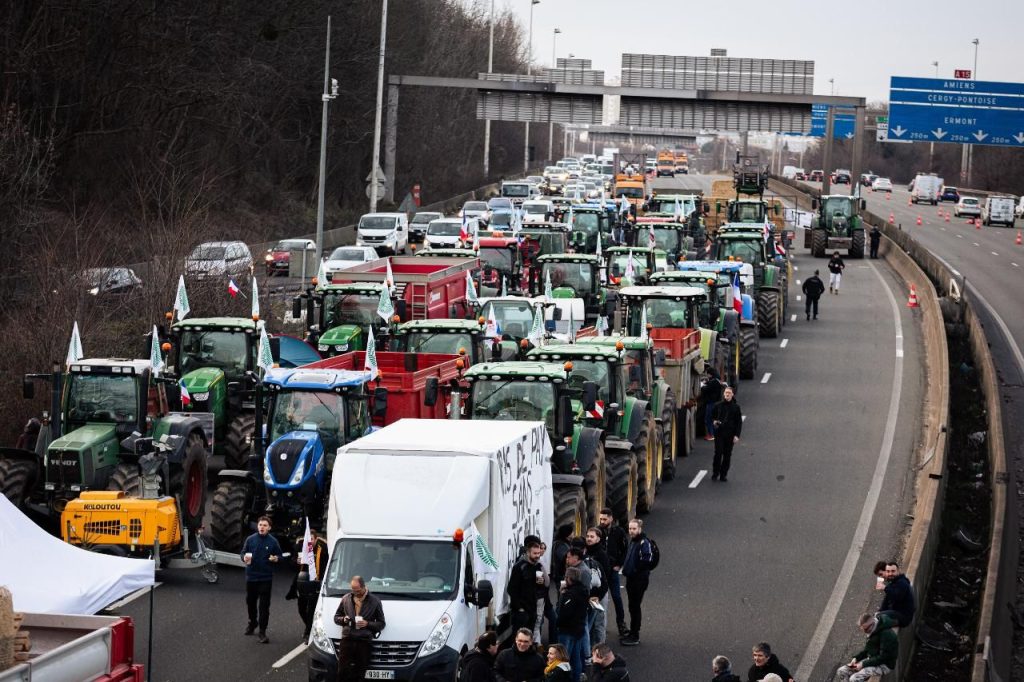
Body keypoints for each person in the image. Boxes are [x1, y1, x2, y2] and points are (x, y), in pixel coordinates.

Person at [334, 575, 386, 682]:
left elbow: (381, 624)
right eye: (353, 590)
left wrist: (367, 624)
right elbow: (336, 618)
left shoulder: (375, 601)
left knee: (360, 673)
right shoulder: (346, 598)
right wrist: (343, 619)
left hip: (364, 641)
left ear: (364, 587)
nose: (355, 593)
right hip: (347, 639)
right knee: (342, 672)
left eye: (357, 590)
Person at [240, 515, 283, 643]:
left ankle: (262, 632)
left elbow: (280, 556)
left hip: (265, 578)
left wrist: (276, 559)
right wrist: (244, 558)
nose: (262, 527)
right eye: (260, 525)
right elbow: (242, 553)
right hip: (251, 577)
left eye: (264, 525)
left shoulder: (273, 542)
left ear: (269, 528)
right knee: (251, 603)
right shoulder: (250, 539)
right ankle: (252, 623)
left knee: (264, 607)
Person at [287, 525, 330, 642]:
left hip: (315, 583)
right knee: (301, 608)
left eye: (311, 539)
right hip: (302, 582)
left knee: (311, 609)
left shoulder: (323, 549)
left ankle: (308, 632)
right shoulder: (300, 547)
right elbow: (291, 564)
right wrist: (296, 562)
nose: (309, 542)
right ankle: (310, 626)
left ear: (316, 539)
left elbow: (327, 566)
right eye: (307, 540)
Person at [833, 613, 899, 682]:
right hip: (871, 660)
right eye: (862, 629)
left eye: (865, 629)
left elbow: (883, 657)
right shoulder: (873, 630)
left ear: (872, 624)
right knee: (842, 671)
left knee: (854, 679)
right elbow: (868, 650)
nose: (864, 632)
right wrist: (856, 658)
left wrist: (863, 664)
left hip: (883, 665)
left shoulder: (886, 634)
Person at [619, 519, 653, 646]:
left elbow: (646, 560)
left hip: (638, 580)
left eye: (634, 529)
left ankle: (635, 635)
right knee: (632, 607)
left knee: (635, 607)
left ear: (640, 529)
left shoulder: (644, 542)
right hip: (631, 579)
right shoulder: (633, 541)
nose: (631, 531)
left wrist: (635, 570)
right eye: (630, 529)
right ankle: (633, 632)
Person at [598, 510, 629, 638]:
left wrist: (619, 564)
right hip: (601, 572)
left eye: (605, 519)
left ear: (611, 518)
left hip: (612, 571)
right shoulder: (597, 531)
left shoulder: (618, 532)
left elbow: (625, 549)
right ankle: (600, 626)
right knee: (599, 600)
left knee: (616, 597)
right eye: (601, 519)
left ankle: (621, 624)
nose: (602, 522)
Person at [555, 567, 589, 682]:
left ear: (569, 578)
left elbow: (563, 612)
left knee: (563, 659)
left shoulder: (570, 594)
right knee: (576, 658)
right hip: (579, 630)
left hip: (567, 630)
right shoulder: (584, 591)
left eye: (566, 577)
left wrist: (562, 595)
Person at [507, 539, 545, 634]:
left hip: (532, 608)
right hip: (521, 611)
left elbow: (539, 588)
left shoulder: (538, 566)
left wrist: (541, 582)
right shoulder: (519, 567)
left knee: (529, 638)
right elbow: (511, 589)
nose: (537, 556)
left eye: (538, 553)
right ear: (528, 553)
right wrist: (519, 608)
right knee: (519, 637)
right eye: (535, 553)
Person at [585, 527, 612, 646]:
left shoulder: (601, 555)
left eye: (592, 537)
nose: (589, 539)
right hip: (589, 595)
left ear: (598, 539)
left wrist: (598, 596)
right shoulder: (585, 552)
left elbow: (606, 577)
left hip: (599, 594)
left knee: (599, 622)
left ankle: (600, 647)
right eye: (588, 536)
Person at [711, 386, 742, 482]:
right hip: (719, 433)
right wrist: (715, 422)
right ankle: (715, 472)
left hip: (730, 434)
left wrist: (737, 435)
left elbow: (739, 422)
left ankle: (723, 474)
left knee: (727, 455)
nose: (727, 394)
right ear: (724, 394)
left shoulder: (736, 407)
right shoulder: (718, 405)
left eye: (729, 393)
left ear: (732, 395)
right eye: (726, 393)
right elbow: (712, 417)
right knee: (718, 453)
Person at [874, 560, 916, 627]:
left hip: (904, 616)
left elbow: (897, 596)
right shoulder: (892, 583)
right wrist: (880, 610)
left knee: (878, 618)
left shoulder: (902, 582)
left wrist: (885, 588)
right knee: (878, 615)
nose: (890, 574)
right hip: (899, 612)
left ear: (898, 571)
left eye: (893, 571)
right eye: (888, 572)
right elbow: (887, 600)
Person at [700, 369, 724, 441]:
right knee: (713, 419)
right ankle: (714, 434)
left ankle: (711, 434)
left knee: (708, 419)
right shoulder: (717, 380)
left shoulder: (713, 382)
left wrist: (702, 385)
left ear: (711, 374)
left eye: (708, 374)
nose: (707, 375)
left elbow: (706, 389)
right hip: (715, 402)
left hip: (711, 403)